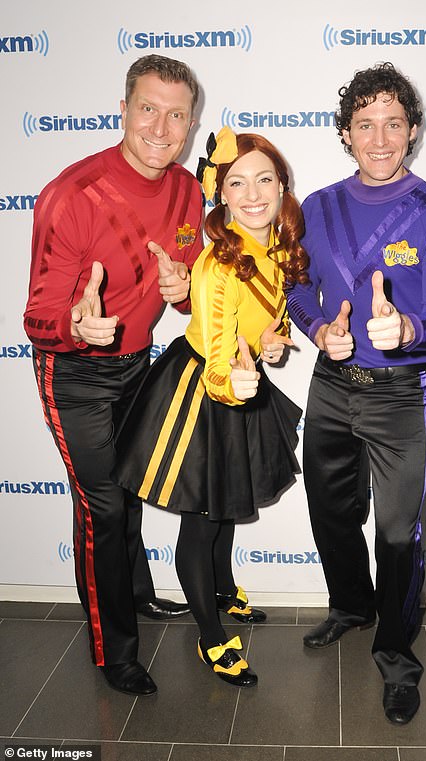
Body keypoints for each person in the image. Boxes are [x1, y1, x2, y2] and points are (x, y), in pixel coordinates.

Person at [286, 62, 426, 724]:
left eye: (394, 123)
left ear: (414, 131)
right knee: (331, 511)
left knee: (396, 532)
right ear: (345, 134)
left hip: (400, 393)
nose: (381, 138)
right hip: (332, 386)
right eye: (365, 124)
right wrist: (316, 329)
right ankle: (351, 605)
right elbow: (296, 288)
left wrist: (406, 327)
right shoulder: (317, 207)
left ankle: (396, 656)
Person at [23, 54, 204, 696]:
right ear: (123, 109)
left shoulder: (188, 190)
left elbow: (182, 295)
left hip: (136, 366)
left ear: (190, 122)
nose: (161, 126)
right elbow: (36, 318)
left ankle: (138, 596)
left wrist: (183, 290)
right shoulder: (69, 195)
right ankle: (113, 648)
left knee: (127, 496)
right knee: (102, 507)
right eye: (148, 109)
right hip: (71, 371)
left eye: (176, 114)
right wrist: (76, 325)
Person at [114, 128, 308, 688]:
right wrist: (235, 386)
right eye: (236, 183)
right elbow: (221, 348)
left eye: (263, 179)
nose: (252, 195)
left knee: (223, 505)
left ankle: (223, 591)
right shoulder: (219, 265)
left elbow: (272, 316)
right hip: (202, 388)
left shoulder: (276, 246)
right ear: (220, 194)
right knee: (202, 518)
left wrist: (274, 343)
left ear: (281, 185)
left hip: (242, 381)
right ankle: (210, 636)